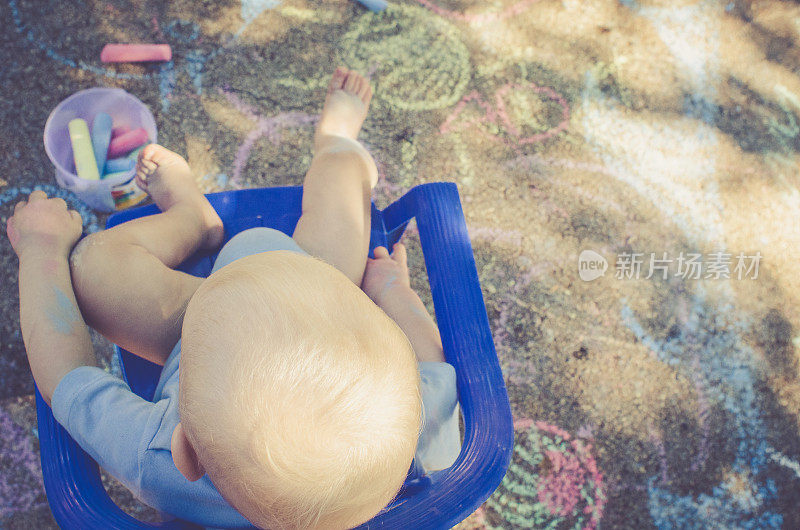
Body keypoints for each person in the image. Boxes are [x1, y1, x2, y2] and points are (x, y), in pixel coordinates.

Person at [6, 67, 461, 529]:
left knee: (94, 266)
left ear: (186, 450)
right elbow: (433, 362)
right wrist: (389, 292)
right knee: (345, 172)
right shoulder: (405, 435)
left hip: (259, 304)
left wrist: (42, 251)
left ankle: (192, 218)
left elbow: (65, 375)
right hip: (316, 283)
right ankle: (337, 140)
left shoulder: (159, 462)